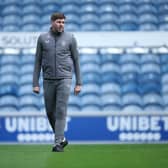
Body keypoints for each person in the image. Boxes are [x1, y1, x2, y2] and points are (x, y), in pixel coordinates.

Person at [32, 12, 82, 152]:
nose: (62, 25)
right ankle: (62, 138)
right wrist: (35, 83)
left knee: (61, 110)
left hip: (65, 78)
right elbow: (37, 61)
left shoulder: (70, 38)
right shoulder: (42, 38)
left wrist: (79, 82)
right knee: (49, 112)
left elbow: (76, 60)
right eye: (59, 22)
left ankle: (58, 143)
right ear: (52, 22)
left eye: (63, 22)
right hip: (47, 80)